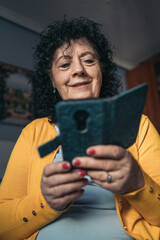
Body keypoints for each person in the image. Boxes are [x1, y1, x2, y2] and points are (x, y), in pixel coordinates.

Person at [0, 17, 160, 240]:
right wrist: (46, 201)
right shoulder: (33, 132)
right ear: (52, 81)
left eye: (89, 61)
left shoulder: (140, 125)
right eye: (65, 65)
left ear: (101, 71)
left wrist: (138, 184)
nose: (78, 70)